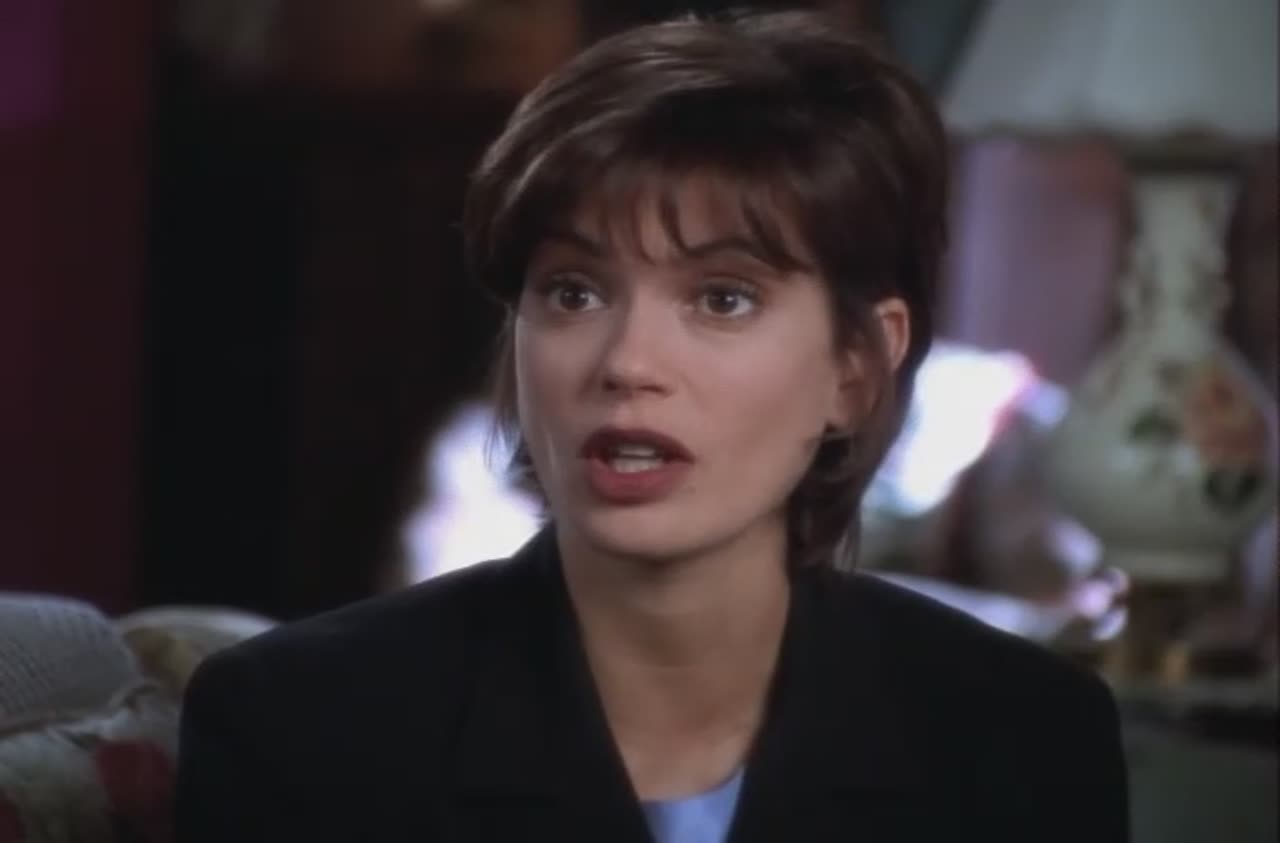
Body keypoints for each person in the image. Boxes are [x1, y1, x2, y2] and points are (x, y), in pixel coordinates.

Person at [175, 10, 1129, 842]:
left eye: (722, 298)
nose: (627, 362)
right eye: (574, 291)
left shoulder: (1021, 737)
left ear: (857, 367)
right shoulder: (297, 727)